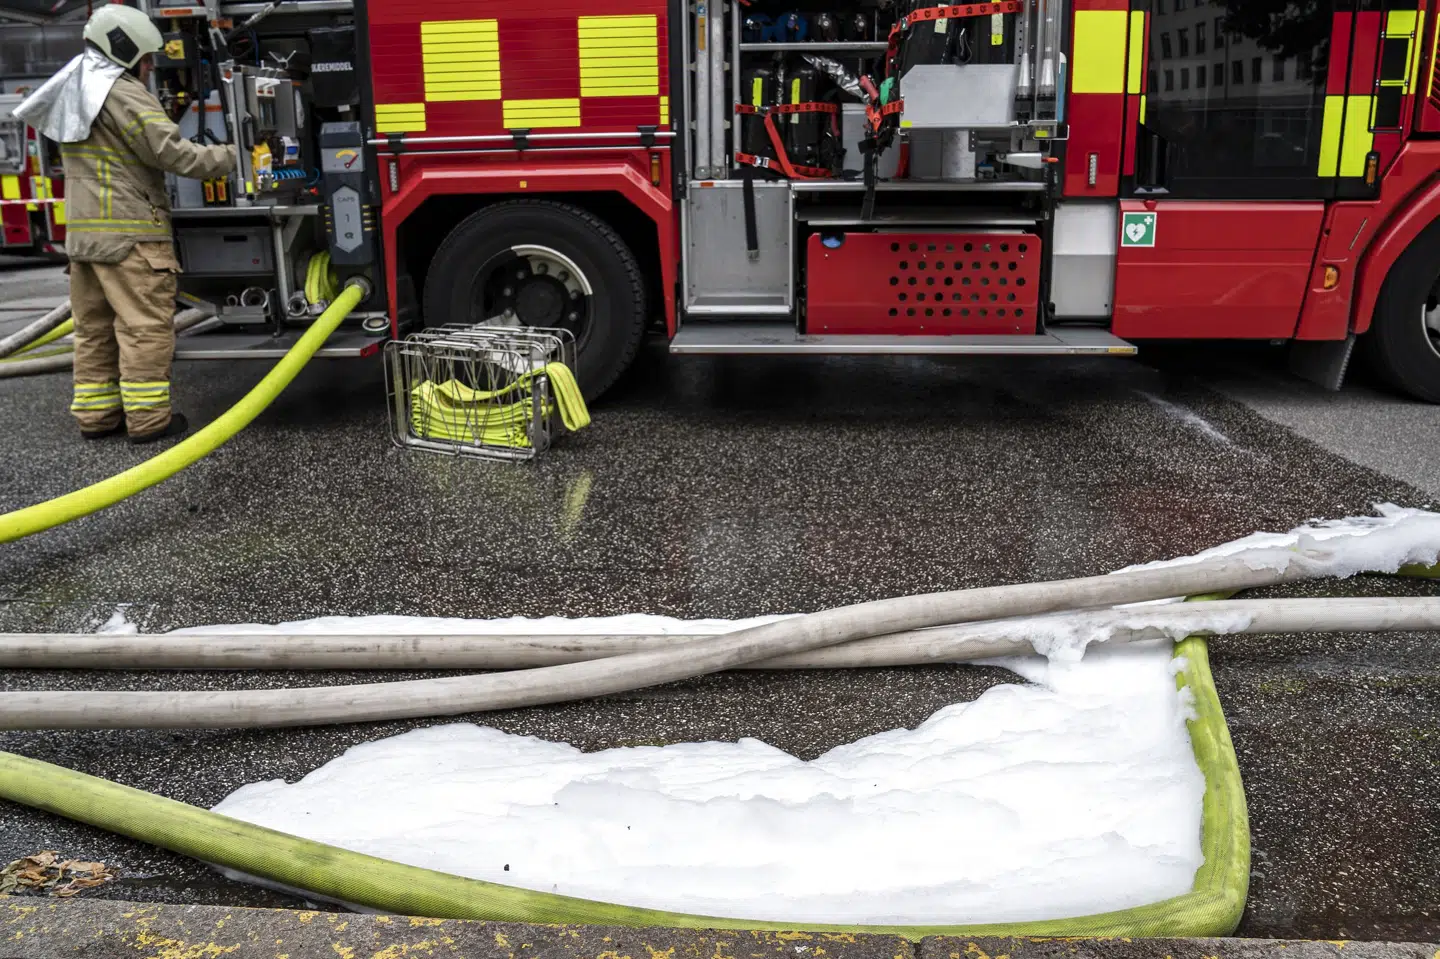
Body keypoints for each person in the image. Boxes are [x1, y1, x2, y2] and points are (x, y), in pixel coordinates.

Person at [16, 5, 234, 443]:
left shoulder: (75, 86)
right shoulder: (120, 90)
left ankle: (97, 419)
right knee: (143, 328)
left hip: (84, 239)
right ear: (127, 48)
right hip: (130, 236)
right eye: (147, 58)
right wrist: (233, 156)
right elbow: (174, 154)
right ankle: (149, 422)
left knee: (93, 331)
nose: (150, 66)